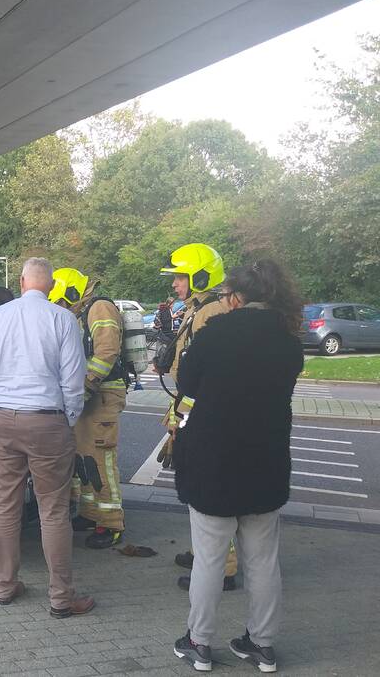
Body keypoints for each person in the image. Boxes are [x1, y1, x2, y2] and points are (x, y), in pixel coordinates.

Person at [171, 259, 303, 673]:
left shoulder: (216, 334)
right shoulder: (288, 340)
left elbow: (186, 384)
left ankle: (199, 642)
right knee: (263, 560)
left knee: (210, 558)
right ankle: (262, 645)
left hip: (215, 461)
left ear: (236, 296)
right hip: (265, 461)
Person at [0, 257, 95, 618]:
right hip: (47, 421)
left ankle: (4, 586)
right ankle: (61, 596)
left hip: (2, 420)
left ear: (22, 280)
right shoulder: (63, 319)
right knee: (53, 509)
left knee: (5, 502)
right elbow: (74, 380)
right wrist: (67, 419)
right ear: (51, 285)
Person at [152, 243, 238, 591]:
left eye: (180, 277)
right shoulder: (198, 308)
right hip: (193, 405)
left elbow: (207, 371)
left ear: (200, 276)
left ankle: (222, 567)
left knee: (208, 487)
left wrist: (185, 410)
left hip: (202, 410)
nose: (174, 284)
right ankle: (206, 554)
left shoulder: (211, 312)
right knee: (197, 487)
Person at [48, 267, 127, 549]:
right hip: (89, 396)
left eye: (62, 303)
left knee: (100, 461)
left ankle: (111, 523)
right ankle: (91, 513)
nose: (61, 309)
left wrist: (85, 385)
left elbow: (106, 352)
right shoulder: (82, 312)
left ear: (72, 293)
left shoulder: (100, 308)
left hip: (102, 395)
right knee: (83, 460)